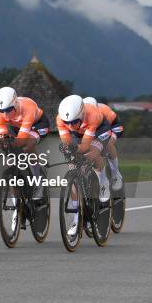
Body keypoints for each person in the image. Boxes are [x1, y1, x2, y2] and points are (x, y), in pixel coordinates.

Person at [57, 94, 114, 236]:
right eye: (67, 122)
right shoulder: (60, 119)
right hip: (80, 135)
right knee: (72, 168)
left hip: (100, 131)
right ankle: (77, 219)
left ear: (82, 114)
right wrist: (68, 152)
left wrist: (77, 151)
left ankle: (103, 181)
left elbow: (85, 146)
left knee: (92, 155)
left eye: (74, 121)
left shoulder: (92, 114)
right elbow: (67, 142)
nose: (70, 125)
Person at [0, 87, 50, 199]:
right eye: (1, 111)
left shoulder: (28, 107)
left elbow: (22, 140)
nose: (4, 114)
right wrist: (3, 143)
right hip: (17, 127)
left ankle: (38, 182)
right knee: (10, 159)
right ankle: (17, 203)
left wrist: (12, 144)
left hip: (38, 124)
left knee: (28, 145)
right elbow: (3, 136)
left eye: (8, 110)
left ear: (15, 104)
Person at [83, 97, 124, 190]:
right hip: (95, 129)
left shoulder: (105, 111)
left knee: (108, 144)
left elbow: (105, 132)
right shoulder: (82, 116)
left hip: (113, 127)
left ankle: (115, 173)